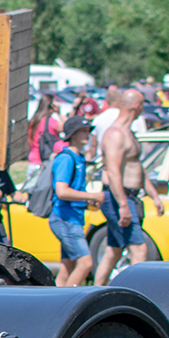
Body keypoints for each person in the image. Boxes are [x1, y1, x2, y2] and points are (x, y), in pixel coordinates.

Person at [94, 89, 165, 285]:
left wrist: (154, 196)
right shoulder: (115, 134)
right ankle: (137, 294)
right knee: (138, 249)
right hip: (118, 197)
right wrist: (123, 205)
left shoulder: (128, 133)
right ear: (137, 107)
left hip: (129, 197)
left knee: (113, 251)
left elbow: (137, 169)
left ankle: (93, 291)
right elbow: (114, 171)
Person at [47, 117, 103, 287]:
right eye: (83, 131)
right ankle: (69, 302)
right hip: (65, 219)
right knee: (86, 263)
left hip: (72, 218)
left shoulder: (78, 158)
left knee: (67, 267)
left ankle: (54, 303)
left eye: (88, 130)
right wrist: (91, 196)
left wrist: (86, 202)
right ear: (72, 134)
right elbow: (62, 192)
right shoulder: (66, 158)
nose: (88, 134)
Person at [24, 94, 60, 188]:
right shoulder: (51, 122)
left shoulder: (34, 121)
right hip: (44, 164)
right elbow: (70, 129)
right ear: (51, 106)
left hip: (32, 163)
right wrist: (59, 113)